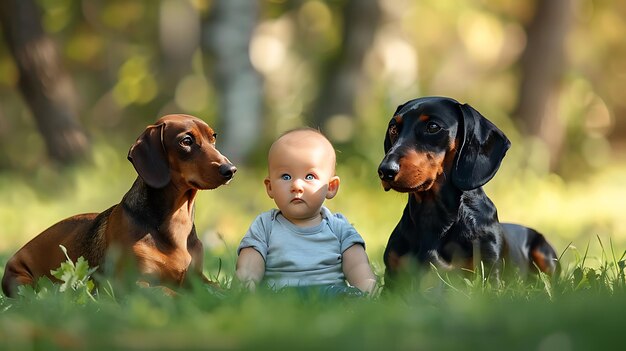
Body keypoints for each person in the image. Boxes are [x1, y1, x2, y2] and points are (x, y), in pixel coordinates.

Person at [236, 128, 377, 296]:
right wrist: (244, 288)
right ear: (270, 187)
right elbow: (249, 266)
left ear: (331, 187)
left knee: (344, 296)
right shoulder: (265, 226)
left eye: (309, 176)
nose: (296, 186)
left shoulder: (339, 228)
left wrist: (367, 290)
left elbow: (357, 266)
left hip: (329, 294)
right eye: (286, 176)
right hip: (280, 295)